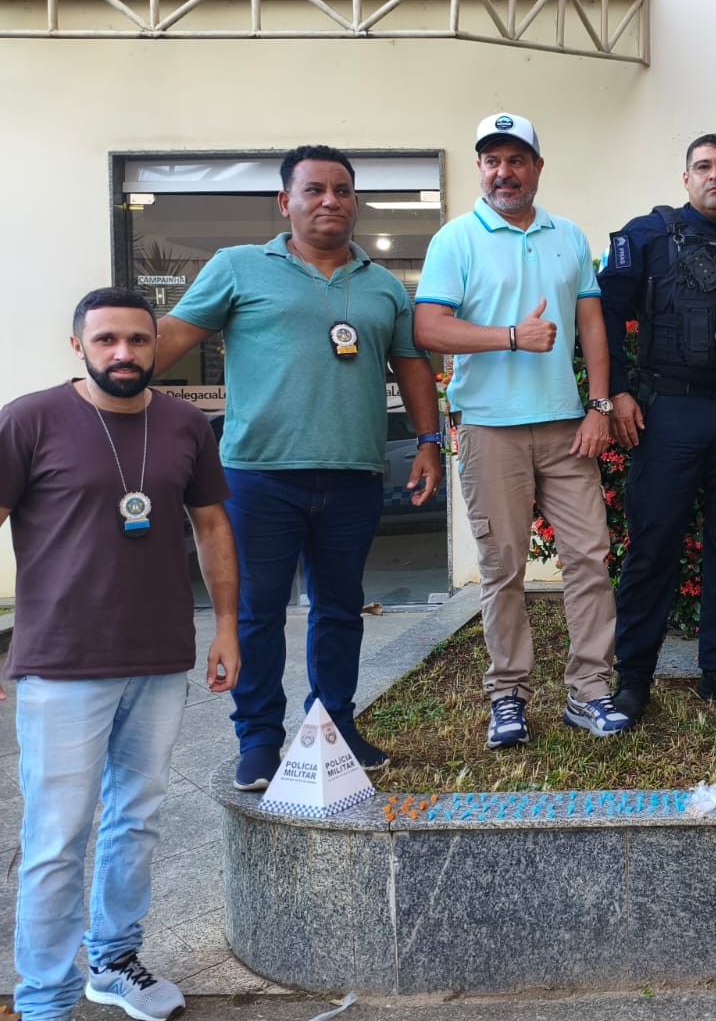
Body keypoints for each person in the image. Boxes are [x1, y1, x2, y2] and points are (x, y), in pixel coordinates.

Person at [157, 145, 442, 789]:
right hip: (258, 475)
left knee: (339, 609)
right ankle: (259, 738)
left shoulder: (382, 285)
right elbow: (174, 335)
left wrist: (429, 441)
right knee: (257, 611)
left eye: (342, 190)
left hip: (354, 474)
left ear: (356, 203)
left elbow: (412, 366)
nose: (330, 201)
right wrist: (110, 373)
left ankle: (332, 727)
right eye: (314, 190)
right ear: (286, 202)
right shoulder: (237, 267)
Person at [1, 288, 241, 1021]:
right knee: (56, 837)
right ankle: (45, 1000)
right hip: (61, 663)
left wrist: (227, 625)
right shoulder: (30, 420)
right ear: (79, 345)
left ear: (157, 346)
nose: (124, 353)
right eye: (106, 339)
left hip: (159, 657)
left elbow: (211, 526)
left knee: (136, 820)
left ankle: (113, 961)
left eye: (138, 339)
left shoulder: (185, 424)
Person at [414, 113, 624, 745]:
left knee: (589, 559)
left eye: (515, 160)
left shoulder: (568, 236)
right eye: (492, 161)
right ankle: (508, 695)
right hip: (490, 429)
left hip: (565, 428)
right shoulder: (456, 239)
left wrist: (600, 406)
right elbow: (429, 328)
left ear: (537, 167)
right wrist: (511, 336)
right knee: (502, 568)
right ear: (481, 169)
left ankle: (590, 691)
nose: (503, 172)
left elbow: (592, 326)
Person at [599, 133, 716, 723]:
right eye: (703, 166)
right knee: (653, 547)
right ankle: (634, 678)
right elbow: (603, 312)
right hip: (669, 415)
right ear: (686, 178)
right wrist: (616, 392)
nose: (715, 175)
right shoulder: (648, 236)